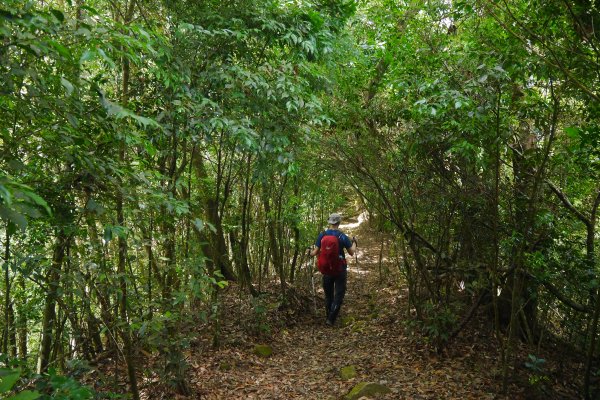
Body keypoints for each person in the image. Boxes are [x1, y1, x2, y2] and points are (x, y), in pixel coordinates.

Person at [309, 213, 357, 326]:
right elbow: (351, 252)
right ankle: (331, 319)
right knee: (339, 295)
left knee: (328, 295)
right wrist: (355, 243)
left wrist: (309, 251)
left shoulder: (322, 235)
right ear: (339, 223)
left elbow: (314, 253)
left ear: (329, 222)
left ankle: (328, 316)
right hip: (340, 270)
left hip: (326, 270)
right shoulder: (342, 236)